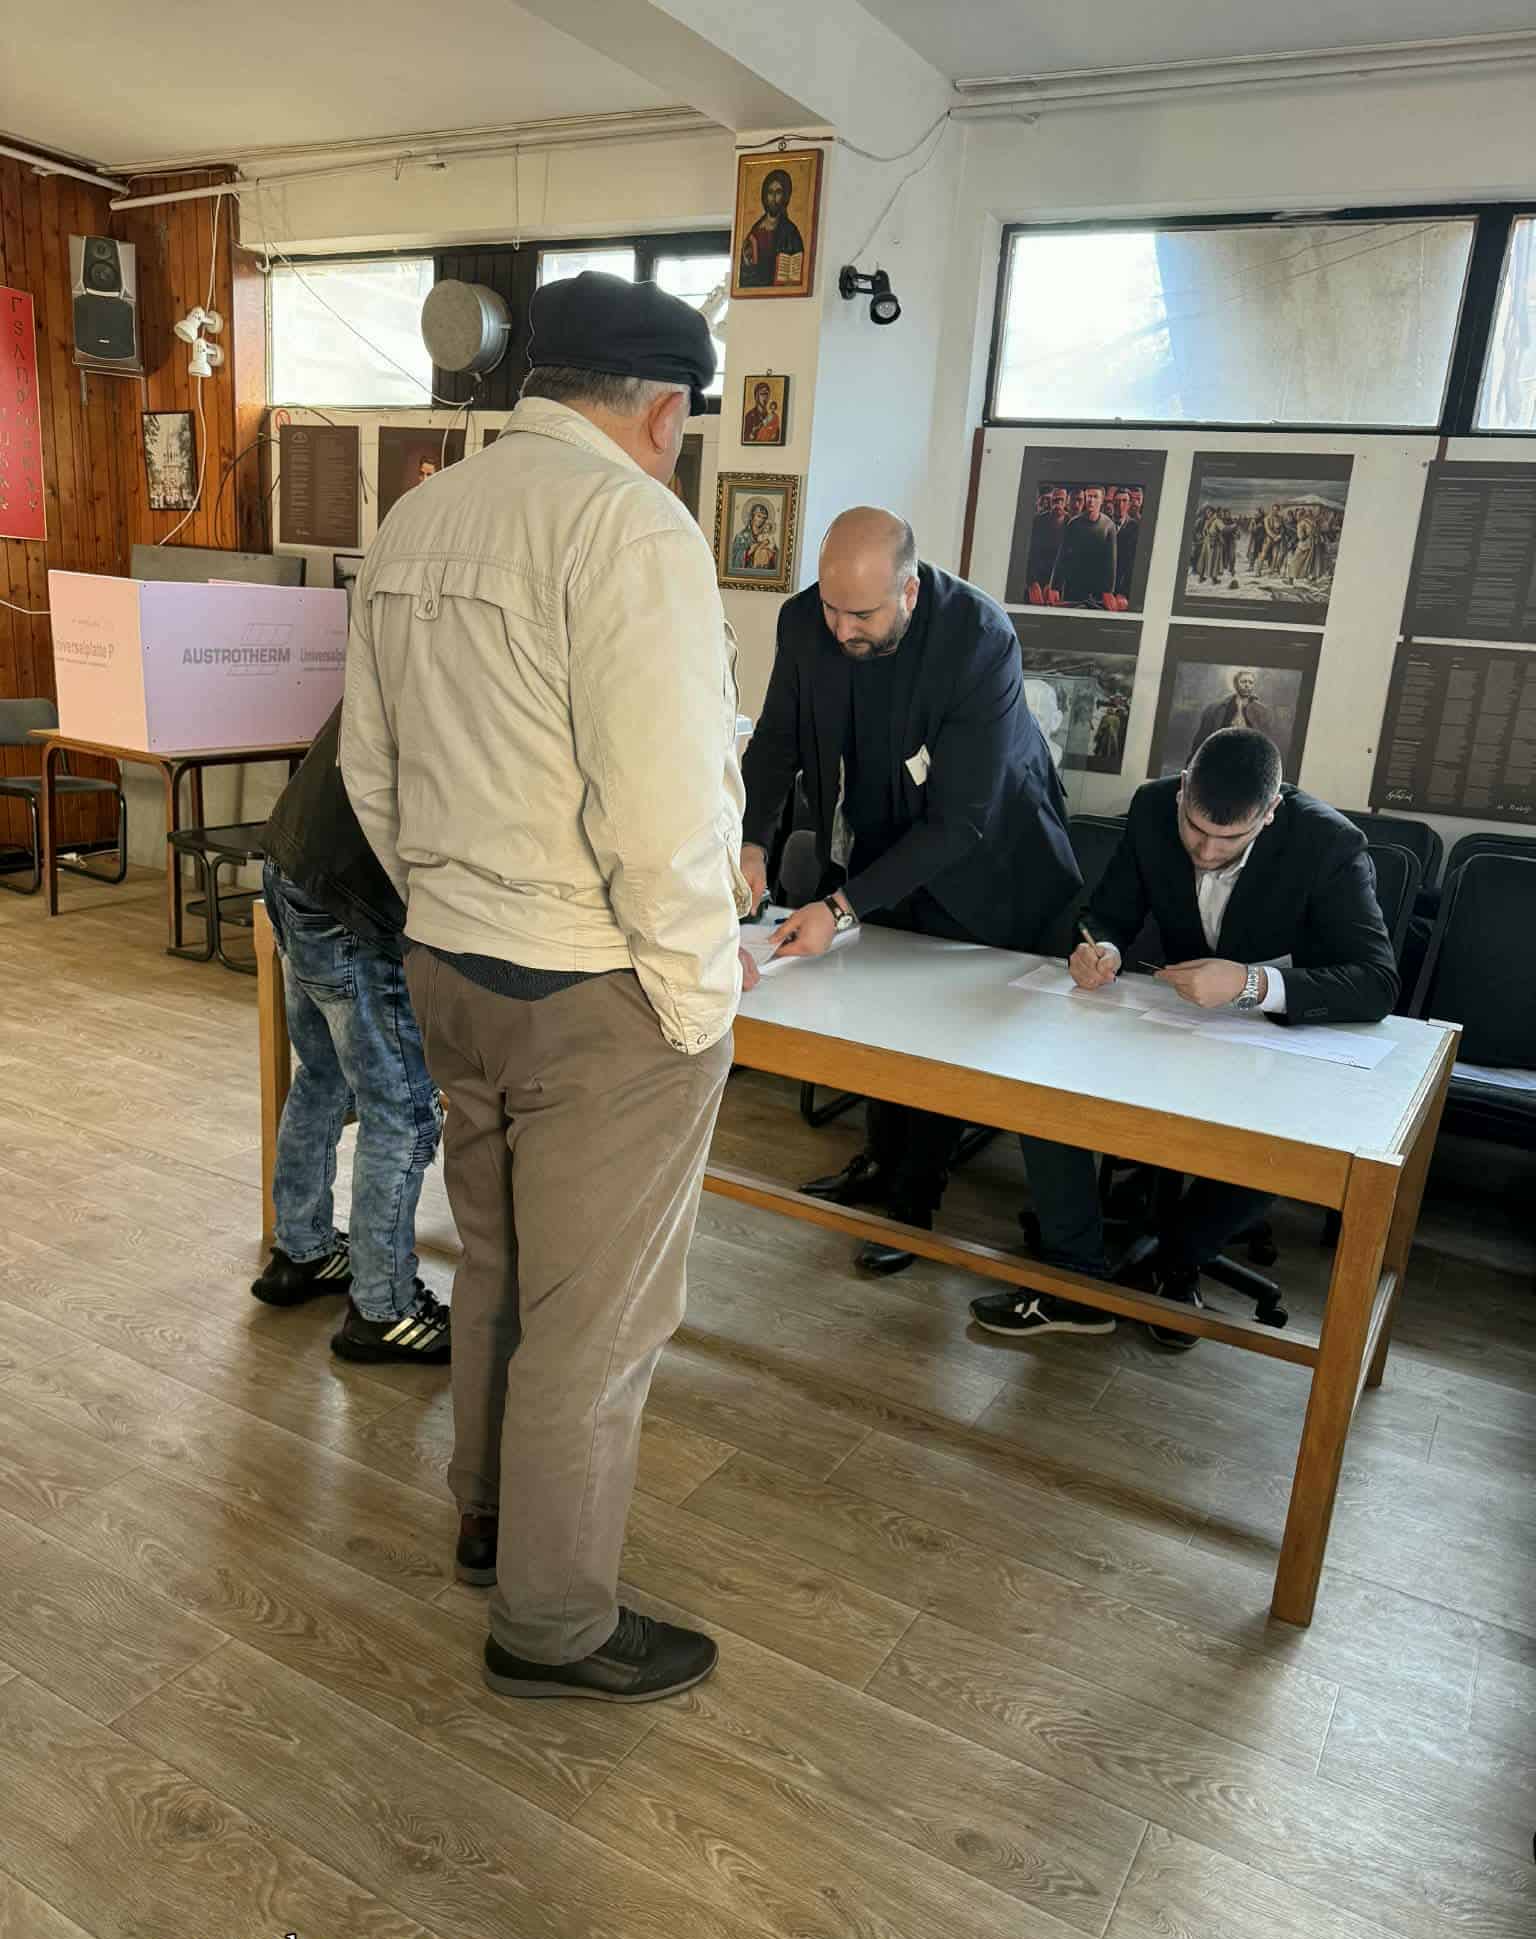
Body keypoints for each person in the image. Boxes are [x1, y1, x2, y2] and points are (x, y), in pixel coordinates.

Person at [342, 271, 749, 1706]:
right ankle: (552, 1623)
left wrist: (442, 902)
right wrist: (701, 1002)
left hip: (450, 962)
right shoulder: (633, 524)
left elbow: (370, 769)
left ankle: (488, 1520)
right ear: (664, 413)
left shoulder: (421, 513)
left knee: (500, 1268)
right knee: (599, 1318)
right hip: (597, 990)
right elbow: (664, 810)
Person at [971, 728, 1399, 1345]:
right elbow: (1109, 911)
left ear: (1270, 813)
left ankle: (1176, 1261)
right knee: (1043, 1076)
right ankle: (1076, 1280)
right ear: (1181, 795)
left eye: (1230, 839)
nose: (1205, 850)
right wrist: (1102, 948)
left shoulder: (1328, 842)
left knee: (1287, 1135)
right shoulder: (1152, 807)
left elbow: (1377, 982)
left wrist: (1250, 984)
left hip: (1279, 1037)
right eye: (1195, 829)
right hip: (1174, 1019)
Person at [740, 507, 1081, 1276]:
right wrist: (752, 842)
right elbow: (777, 741)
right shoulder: (806, 622)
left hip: (994, 864)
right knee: (879, 1019)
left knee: (941, 1040)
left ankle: (913, 1206)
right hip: (887, 843)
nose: (839, 628)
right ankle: (881, 1162)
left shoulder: (979, 639)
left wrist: (838, 908)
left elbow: (963, 819)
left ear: (910, 591)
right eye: (831, 606)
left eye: (861, 614)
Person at [253, 704, 450, 1364]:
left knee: (323, 1076)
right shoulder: (484, 674)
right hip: (354, 902)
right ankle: (383, 1308)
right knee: (403, 1113)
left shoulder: (405, 647)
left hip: (293, 861)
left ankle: (303, 1250)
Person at [737, 168, 805, 290]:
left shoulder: (791, 231)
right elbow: (744, 271)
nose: (773, 198)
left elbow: (797, 268)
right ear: (765, 195)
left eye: (778, 192)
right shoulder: (755, 230)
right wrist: (747, 262)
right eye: (770, 192)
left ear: (785, 196)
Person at [1053, 484, 1118, 605]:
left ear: (1102, 500)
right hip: (1073, 586)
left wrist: (1109, 591)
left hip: (1097, 589)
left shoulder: (1109, 526)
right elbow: (1062, 557)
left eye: (1095, 497)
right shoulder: (1074, 524)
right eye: (1088, 496)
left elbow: (1111, 562)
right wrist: (1055, 587)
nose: (1091, 500)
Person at [1188, 668, 1274, 756]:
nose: (1247, 685)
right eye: (1243, 682)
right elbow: (1202, 738)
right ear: (1235, 684)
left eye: (1250, 682)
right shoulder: (1219, 708)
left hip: (1248, 752)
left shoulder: (1261, 711)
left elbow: (1266, 740)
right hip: (1223, 750)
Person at [730, 499, 780, 573]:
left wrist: (772, 552)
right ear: (752, 516)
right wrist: (748, 551)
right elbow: (734, 558)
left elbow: (778, 558)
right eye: (759, 516)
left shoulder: (767, 536)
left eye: (764, 518)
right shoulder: (741, 536)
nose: (761, 520)